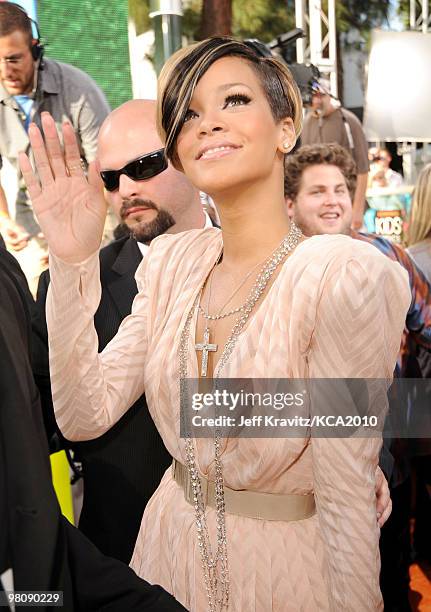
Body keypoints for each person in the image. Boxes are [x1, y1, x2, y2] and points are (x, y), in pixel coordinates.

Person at [20, 38, 410, 612]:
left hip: (281, 576)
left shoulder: (342, 275)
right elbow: (83, 417)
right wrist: (74, 260)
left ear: (285, 128)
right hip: (164, 557)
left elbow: (348, 496)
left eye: (232, 99)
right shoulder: (175, 265)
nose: (208, 124)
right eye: (189, 115)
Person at [36, 98, 212, 564]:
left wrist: (356, 464)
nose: (127, 189)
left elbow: (345, 405)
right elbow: (59, 424)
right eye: (111, 178)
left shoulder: (282, 263)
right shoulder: (70, 285)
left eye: (145, 165)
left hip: (262, 555)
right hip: (126, 561)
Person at [284, 142, 431, 611]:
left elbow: (427, 327)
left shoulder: (388, 255)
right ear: (290, 204)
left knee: (390, 576)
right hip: (305, 466)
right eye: (317, 191)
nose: (333, 200)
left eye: (341, 189)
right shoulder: (278, 269)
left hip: (390, 453)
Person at [0, 244, 187, 612]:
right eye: (111, 181)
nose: (126, 188)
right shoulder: (160, 277)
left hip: (281, 545)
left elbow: (333, 418)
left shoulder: (318, 271)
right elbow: (78, 414)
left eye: (142, 178)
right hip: (134, 551)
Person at [0, 1, 110, 293]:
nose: (4, 71)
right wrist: (5, 220)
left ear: (35, 50)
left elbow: (107, 170)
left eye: (13, 59)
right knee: (36, 308)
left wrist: (80, 241)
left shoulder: (80, 91)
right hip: (32, 221)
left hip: (90, 215)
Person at [300, 77, 369, 230]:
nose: (316, 101)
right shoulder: (306, 123)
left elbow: (363, 170)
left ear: (330, 96)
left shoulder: (348, 121)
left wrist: (357, 211)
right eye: (313, 96)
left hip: (345, 204)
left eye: (320, 96)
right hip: (319, 210)